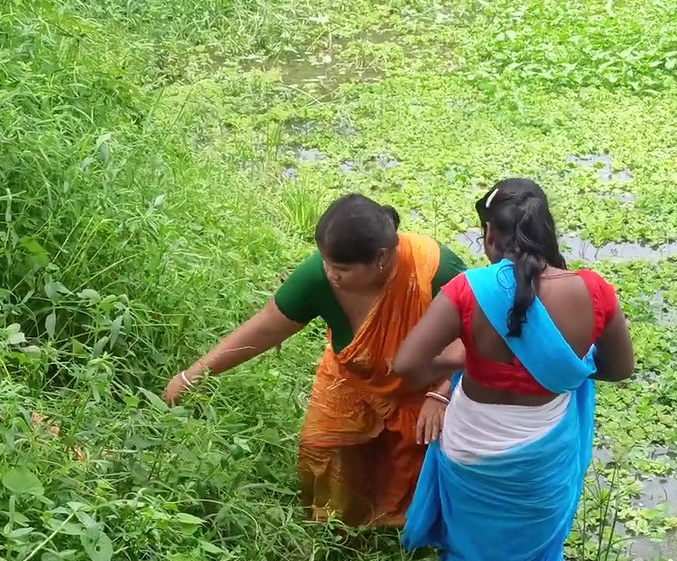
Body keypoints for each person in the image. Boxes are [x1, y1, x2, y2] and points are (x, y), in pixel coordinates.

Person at [393, 178, 636, 561]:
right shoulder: (595, 291)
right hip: (544, 451)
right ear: (547, 230)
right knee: (533, 538)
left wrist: (465, 356)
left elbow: (406, 364)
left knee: (471, 532)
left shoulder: (468, 289)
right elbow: (620, 370)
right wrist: (560, 367)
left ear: (489, 235)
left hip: (471, 444)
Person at [165, 193, 469, 527]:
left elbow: (476, 343)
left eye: (341, 269)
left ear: (382, 257)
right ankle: (336, 532)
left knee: (422, 466)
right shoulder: (318, 276)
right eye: (326, 263)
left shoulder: (435, 271)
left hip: (423, 392)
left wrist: (441, 394)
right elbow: (265, 328)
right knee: (322, 449)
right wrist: (192, 376)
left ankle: (410, 530)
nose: (330, 274)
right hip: (353, 380)